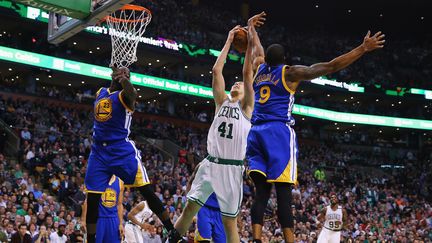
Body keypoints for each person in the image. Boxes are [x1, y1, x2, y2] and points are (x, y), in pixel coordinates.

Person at [245, 11, 385, 243]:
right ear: (284, 60)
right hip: (278, 133)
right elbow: (330, 66)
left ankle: (256, 239)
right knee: (283, 196)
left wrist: (251, 27)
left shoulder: (259, 68)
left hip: (255, 132)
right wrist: (362, 48)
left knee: (261, 193)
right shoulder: (290, 73)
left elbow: (256, 49)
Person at [168, 23, 256, 243]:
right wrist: (228, 40)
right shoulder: (221, 102)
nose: (236, 83)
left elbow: (247, 74)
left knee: (229, 223)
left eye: (240, 83)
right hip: (210, 163)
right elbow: (217, 70)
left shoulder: (246, 108)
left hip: (231, 167)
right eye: (233, 82)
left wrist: (251, 43)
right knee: (189, 208)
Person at [84, 66, 174, 243]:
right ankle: (90, 240)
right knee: (92, 199)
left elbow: (132, 92)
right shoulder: (101, 92)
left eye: (125, 75)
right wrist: (116, 77)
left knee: (145, 190)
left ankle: (171, 230)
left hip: (120, 149)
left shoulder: (126, 97)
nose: (120, 77)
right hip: (99, 151)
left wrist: (124, 79)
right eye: (119, 74)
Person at [188, 163, 225, 243]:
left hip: (220, 211)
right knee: (203, 240)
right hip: (204, 207)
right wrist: (189, 202)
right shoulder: (204, 164)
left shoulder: (228, 167)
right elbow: (191, 181)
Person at [82, 175, 124, 243]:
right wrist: (83, 220)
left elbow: (119, 204)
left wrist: (121, 224)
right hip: (98, 219)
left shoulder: (120, 182)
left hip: (113, 220)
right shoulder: (96, 179)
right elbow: (88, 201)